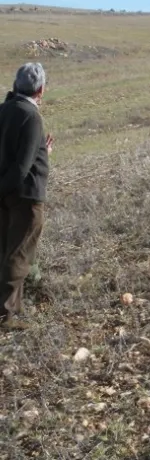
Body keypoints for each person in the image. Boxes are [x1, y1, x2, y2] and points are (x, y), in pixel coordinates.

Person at [0, 63, 53, 330]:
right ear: (41, 89)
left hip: (6, 194)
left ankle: (13, 309)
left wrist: (41, 152)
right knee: (19, 255)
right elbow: (22, 167)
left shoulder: (4, 109)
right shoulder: (31, 116)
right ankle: (5, 316)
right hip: (25, 196)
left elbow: (11, 153)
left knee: (7, 250)